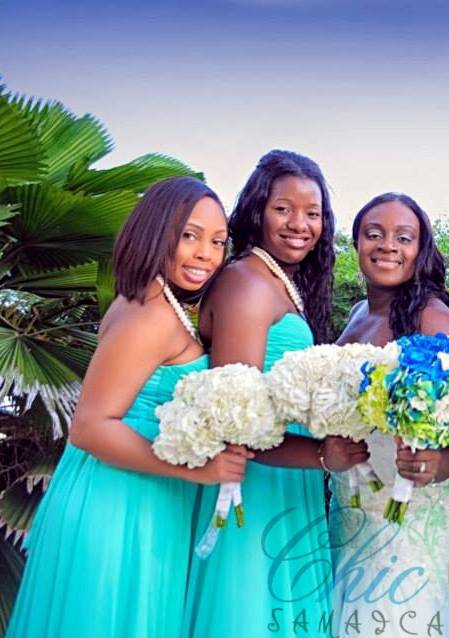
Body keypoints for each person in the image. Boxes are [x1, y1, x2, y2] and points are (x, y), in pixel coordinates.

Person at [7, 177, 249, 638]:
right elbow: (90, 427)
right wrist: (197, 470)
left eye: (218, 242)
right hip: (120, 501)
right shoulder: (151, 316)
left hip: (130, 492)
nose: (206, 254)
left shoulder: (150, 301)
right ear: (156, 232)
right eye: (189, 236)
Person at [184, 150, 367, 638]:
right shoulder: (245, 282)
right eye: (284, 209)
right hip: (254, 487)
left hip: (289, 479)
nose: (299, 224)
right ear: (258, 209)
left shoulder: (278, 283)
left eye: (313, 213)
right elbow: (235, 424)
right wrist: (323, 457)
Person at [329, 192, 449, 636]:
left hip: (416, 506)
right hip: (355, 507)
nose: (387, 246)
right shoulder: (358, 313)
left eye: (403, 237)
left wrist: (439, 463)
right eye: (373, 234)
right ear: (356, 243)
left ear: (421, 249)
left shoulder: (434, 319)